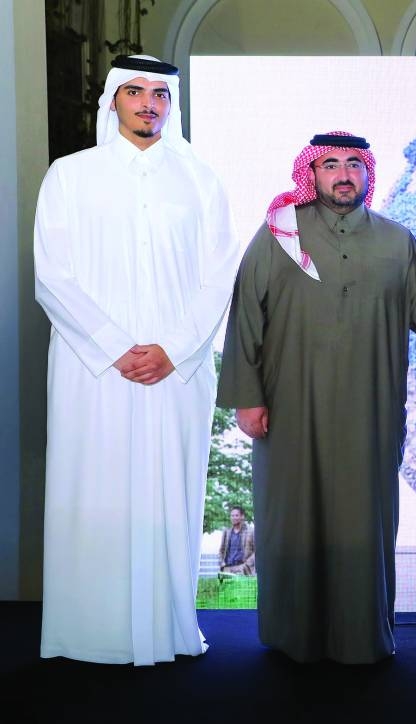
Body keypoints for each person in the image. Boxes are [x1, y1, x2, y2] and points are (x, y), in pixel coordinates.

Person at [216, 131, 416, 665]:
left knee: (364, 523)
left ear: (368, 174)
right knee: (292, 517)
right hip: (290, 408)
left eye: (354, 165)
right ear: (311, 173)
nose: (343, 174)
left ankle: (362, 637)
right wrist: (247, 398)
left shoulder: (395, 239)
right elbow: (246, 313)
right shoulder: (279, 235)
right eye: (331, 165)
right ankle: (293, 635)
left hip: (371, 409)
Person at [33, 55, 241, 665]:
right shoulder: (70, 176)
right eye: (136, 92)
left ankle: (167, 629)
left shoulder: (200, 180)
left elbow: (218, 275)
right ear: (113, 100)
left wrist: (172, 349)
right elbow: (53, 276)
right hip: (90, 370)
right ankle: (89, 633)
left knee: (169, 498)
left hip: (177, 373)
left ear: (170, 105)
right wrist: (115, 346)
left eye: (159, 94)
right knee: (92, 495)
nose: (149, 104)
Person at [218, 506, 256, 575]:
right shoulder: (227, 531)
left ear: (242, 517)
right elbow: (221, 550)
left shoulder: (251, 531)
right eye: (232, 516)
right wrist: (222, 563)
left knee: (242, 586)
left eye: (236, 515)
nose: (234, 518)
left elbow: (257, 552)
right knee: (227, 586)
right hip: (227, 568)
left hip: (243, 569)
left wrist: (246, 565)